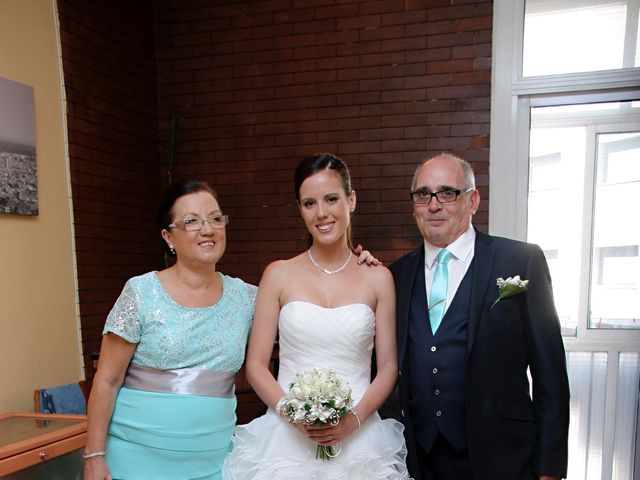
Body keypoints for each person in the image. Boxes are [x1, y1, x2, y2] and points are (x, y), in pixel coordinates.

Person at [83, 179, 378, 480]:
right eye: (191, 222)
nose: (207, 229)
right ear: (168, 236)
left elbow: (314, 319)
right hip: (135, 460)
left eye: (215, 218)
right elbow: (107, 380)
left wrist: (352, 266)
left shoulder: (248, 298)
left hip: (214, 464)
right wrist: (94, 456)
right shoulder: (140, 292)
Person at [222, 153, 410, 479]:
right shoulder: (278, 274)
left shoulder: (378, 278)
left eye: (332, 199)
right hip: (285, 438)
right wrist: (294, 414)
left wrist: (354, 419)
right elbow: (255, 365)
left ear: (351, 200)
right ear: (300, 209)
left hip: (360, 438)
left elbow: (389, 367)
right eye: (309, 203)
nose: (322, 213)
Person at [387, 153, 570, 480]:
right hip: (420, 458)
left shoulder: (520, 262)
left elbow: (550, 374)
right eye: (422, 195)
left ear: (473, 200)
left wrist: (549, 467)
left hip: (503, 457)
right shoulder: (395, 276)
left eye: (447, 193)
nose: (433, 205)